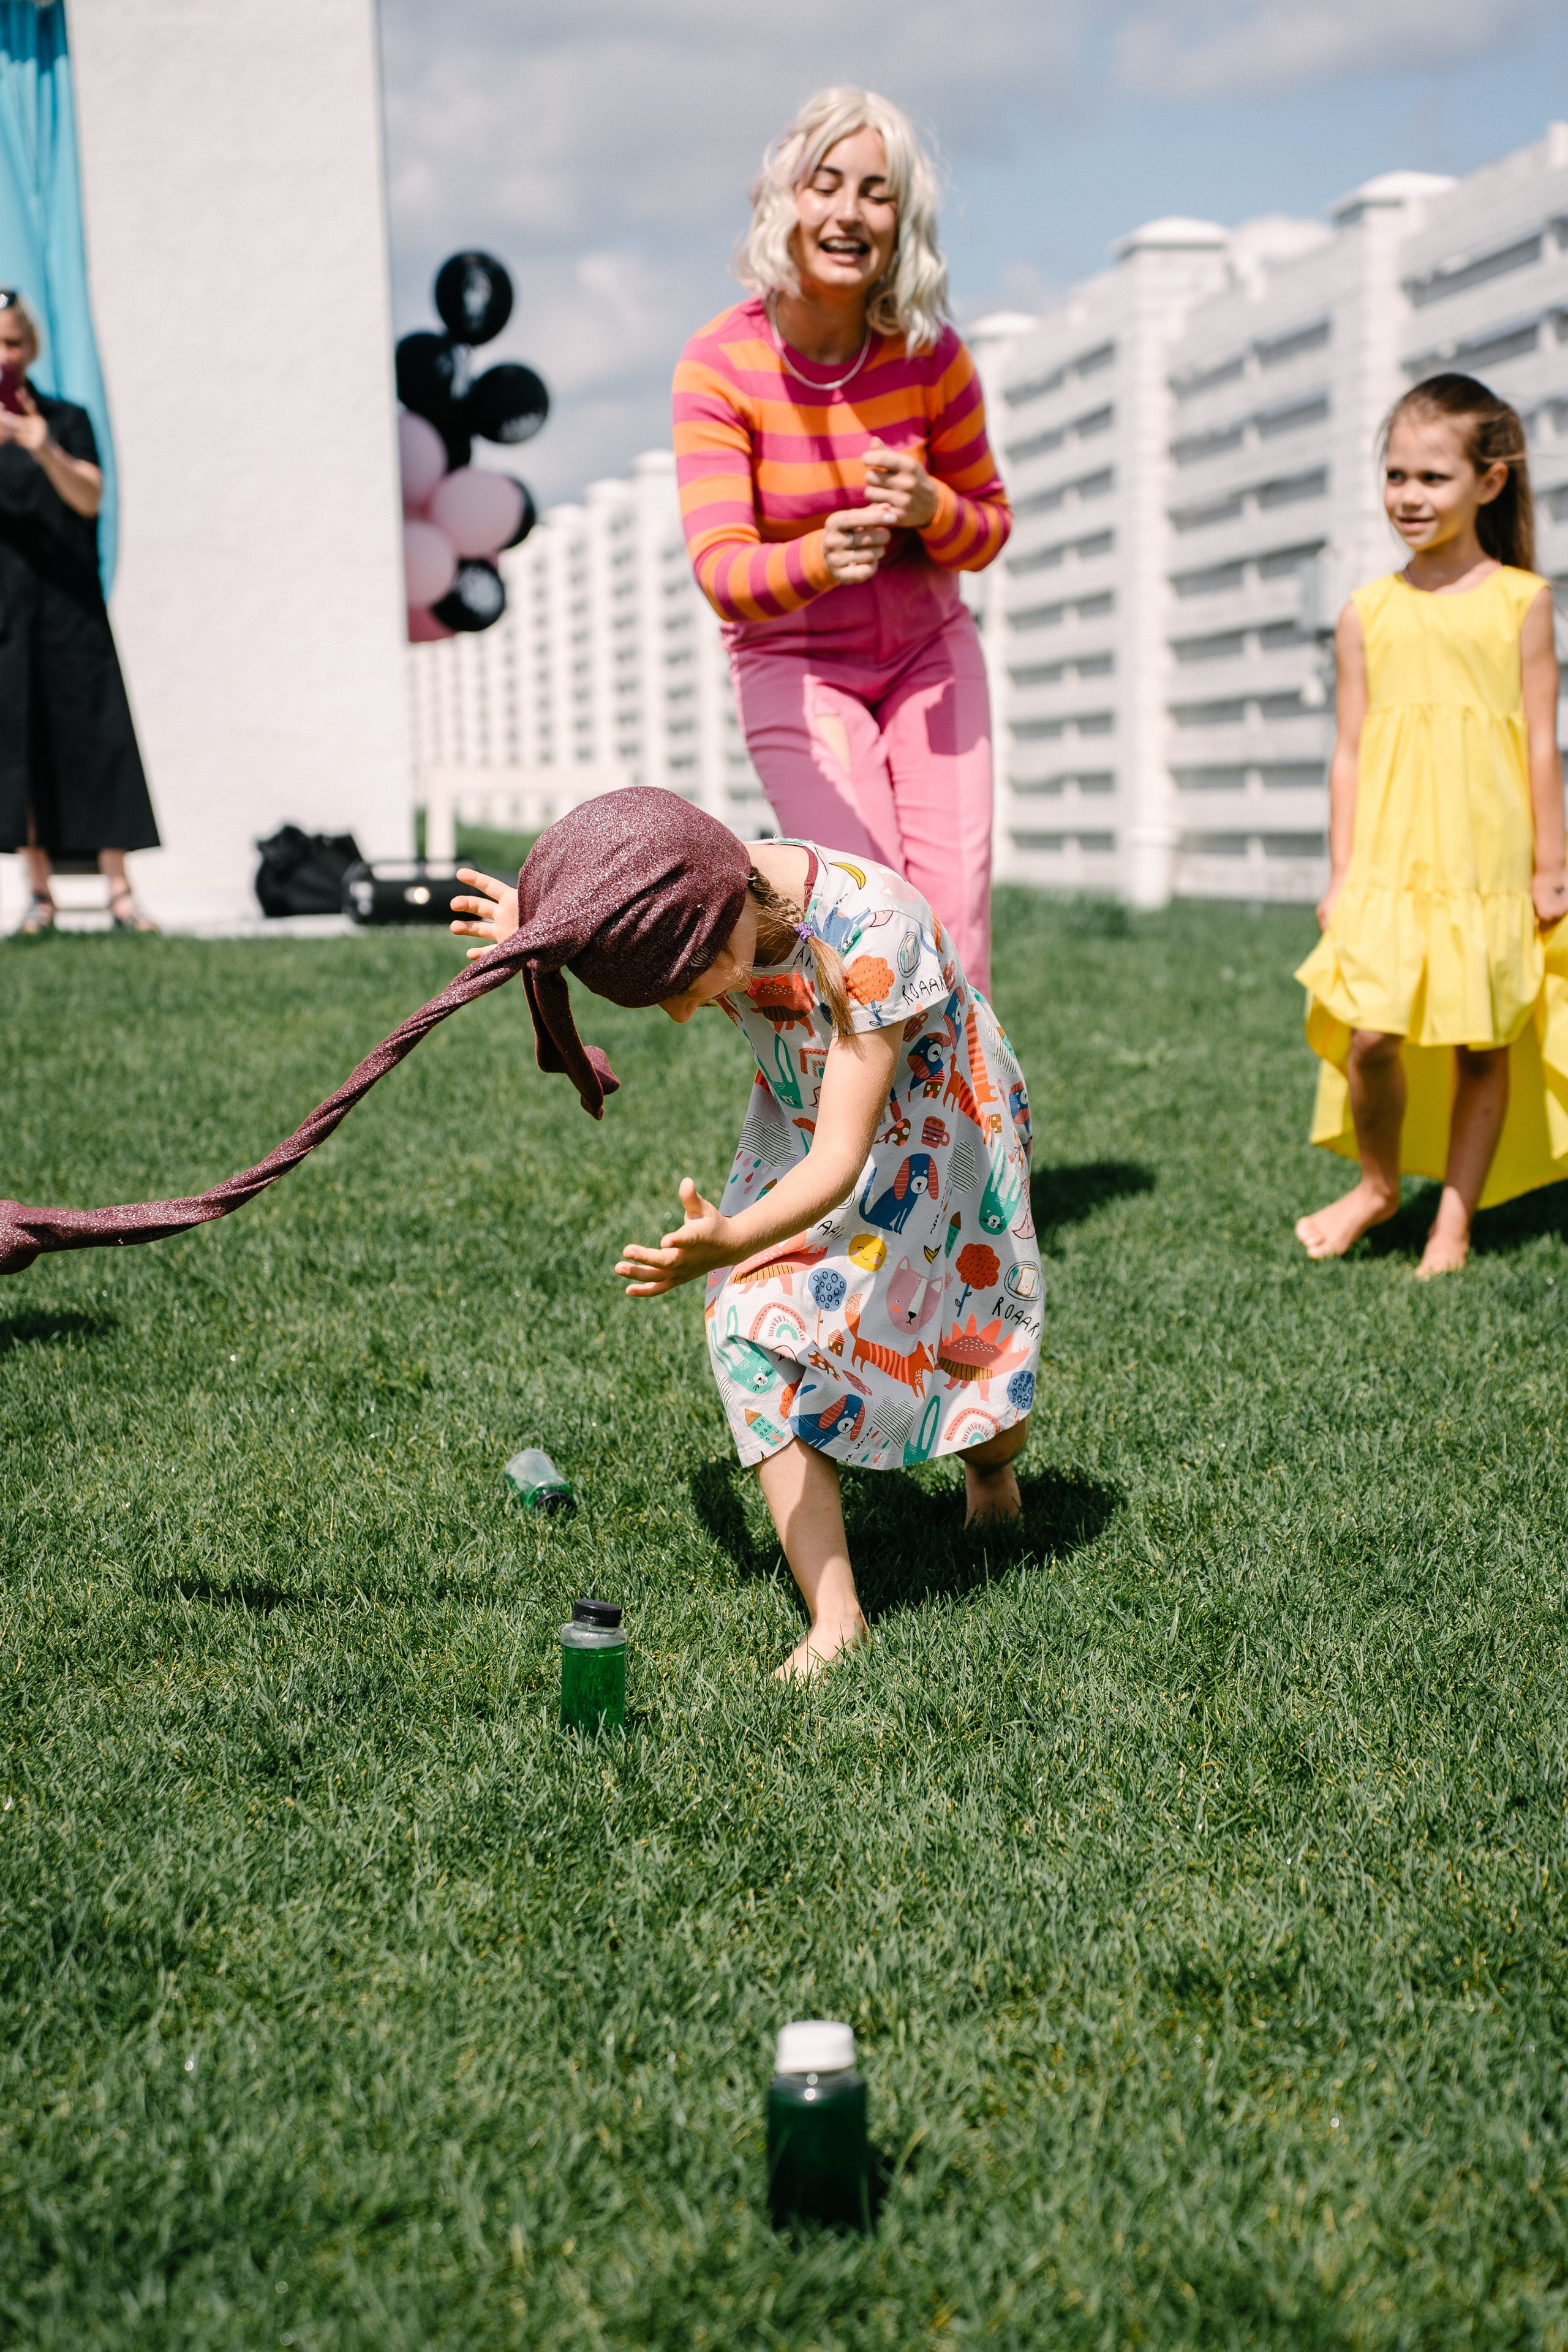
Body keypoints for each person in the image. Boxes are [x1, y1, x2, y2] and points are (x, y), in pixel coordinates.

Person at [448, 793, 1041, 1681]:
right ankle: (838, 1618)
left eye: (685, 992)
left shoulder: (874, 933)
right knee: (743, 1325)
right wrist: (547, 923)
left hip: (939, 1129)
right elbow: (632, 865)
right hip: (806, 1115)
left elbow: (845, 1159)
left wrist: (730, 1240)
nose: (686, 1017)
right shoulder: (701, 886)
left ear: (722, 933)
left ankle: (990, 1471)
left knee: (972, 1357)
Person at [673, 88, 1010, 998]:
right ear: (783, 198)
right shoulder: (720, 364)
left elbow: (989, 526)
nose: (851, 212)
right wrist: (819, 557)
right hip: (795, 660)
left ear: (902, 220)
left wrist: (932, 506)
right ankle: (859, 1138)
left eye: (877, 191)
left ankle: (963, 1141)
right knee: (872, 913)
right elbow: (722, 573)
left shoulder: (930, 355)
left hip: (927, 655)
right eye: (828, 184)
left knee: (955, 918)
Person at [1294, 372, 1568, 1276]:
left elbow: (1539, 744)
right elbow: (1349, 751)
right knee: (1372, 1036)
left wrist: (1549, 864)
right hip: (1389, 863)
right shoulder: (1365, 613)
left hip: (1488, 860)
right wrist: (1341, 872)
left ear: (1490, 482)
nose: (1409, 497)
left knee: (1484, 1045)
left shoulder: (1522, 603)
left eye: (1433, 478)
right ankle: (1378, 1187)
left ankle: (1452, 1226)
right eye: (1397, 475)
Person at [0, 288, 159, 935]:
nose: (3, 356)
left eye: (11, 342)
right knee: (19, 745)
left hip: (73, 612)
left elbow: (91, 497)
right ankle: (39, 896)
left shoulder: (66, 420)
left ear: (29, 347)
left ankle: (120, 891)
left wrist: (40, 445)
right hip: (9, 616)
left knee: (98, 742)